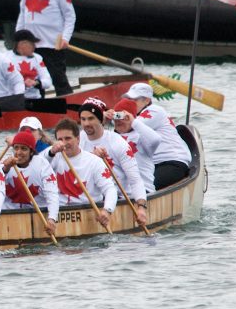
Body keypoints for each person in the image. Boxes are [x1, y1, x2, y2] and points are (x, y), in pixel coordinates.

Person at [77, 97, 148, 228]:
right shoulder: (77, 139)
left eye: (91, 118)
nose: (86, 123)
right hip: (90, 198)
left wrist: (142, 207)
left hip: (120, 197)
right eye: (83, 119)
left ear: (101, 120)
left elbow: (135, 180)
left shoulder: (118, 143)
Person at [15, 0, 75, 95]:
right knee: (34, 79)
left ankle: (67, 101)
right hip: (32, 45)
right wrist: (18, 37)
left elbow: (69, 15)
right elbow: (23, 13)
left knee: (58, 77)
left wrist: (66, 38)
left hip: (52, 43)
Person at [47, 118, 116, 229]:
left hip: (89, 215)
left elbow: (110, 189)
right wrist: (51, 152)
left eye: (68, 138)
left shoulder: (94, 161)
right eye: (60, 139)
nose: (64, 143)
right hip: (59, 216)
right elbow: (35, 166)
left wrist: (107, 210)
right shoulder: (51, 158)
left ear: (78, 139)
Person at [123, 82, 192, 189]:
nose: (130, 103)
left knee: (143, 187)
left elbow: (127, 126)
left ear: (146, 100)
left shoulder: (154, 111)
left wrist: (110, 115)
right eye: (128, 100)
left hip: (172, 163)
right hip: (152, 165)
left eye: (134, 100)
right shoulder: (135, 116)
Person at [0, 130, 59, 236]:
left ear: (31, 151)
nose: (18, 152)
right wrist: (5, 169)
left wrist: (52, 219)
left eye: (23, 149)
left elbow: (52, 194)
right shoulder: (5, 163)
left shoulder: (42, 164)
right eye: (16, 148)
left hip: (37, 214)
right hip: (8, 217)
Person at [108, 97, 162, 194]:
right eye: (116, 116)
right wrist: (102, 118)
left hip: (143, 191)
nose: (118, 120)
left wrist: (133, 121)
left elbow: (156, 140)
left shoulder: (141, 137)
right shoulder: (109, 137)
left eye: (122, 116)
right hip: (118, 193)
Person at [8, 29, 53, 99]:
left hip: (35, 99)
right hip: (13, 100)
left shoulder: (37, 58)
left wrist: (35, 83)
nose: (35, 47)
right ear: (22, 44)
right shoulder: (5, 59)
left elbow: (48, 81)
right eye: (32, 44)